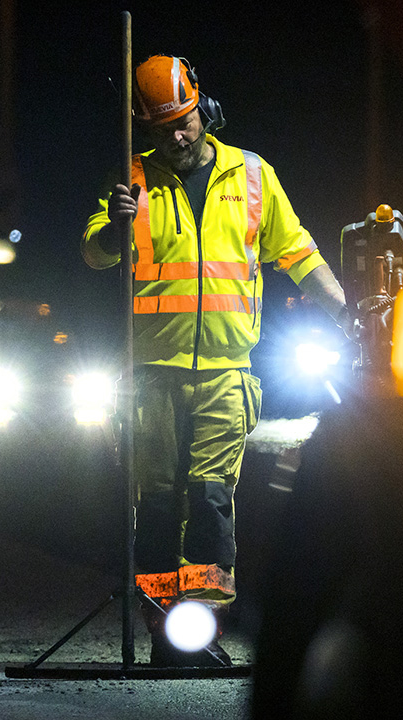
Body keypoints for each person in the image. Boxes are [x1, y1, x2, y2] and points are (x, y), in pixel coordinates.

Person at [82, 55, 351, 666]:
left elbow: (296, 249)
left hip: (227, 374)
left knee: (209, 502)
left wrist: (345, 311)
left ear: (203, 108)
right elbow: (97, 253)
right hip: (151, 375)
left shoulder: (253, 176)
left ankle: (197, 634)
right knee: (155, 504)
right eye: (161, 126)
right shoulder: (132, 179)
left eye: (184, 120)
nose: (177, 135)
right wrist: (114, 230)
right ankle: (160, 633)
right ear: (143, 127)